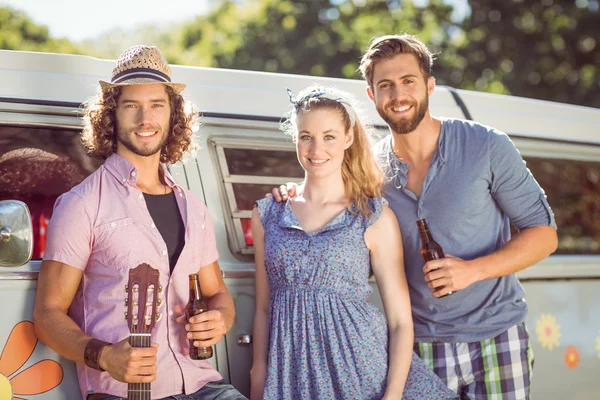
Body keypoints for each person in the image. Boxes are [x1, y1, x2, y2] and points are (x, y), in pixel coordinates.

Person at [272, 35, 558, 400]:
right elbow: (322, 193)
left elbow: (544, 233)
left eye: (408, 81)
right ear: (372, 95)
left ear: (430, 85)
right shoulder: (367, 171)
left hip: (497, 336)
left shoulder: (486, 145)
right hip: (420, 347)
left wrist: (473, 270)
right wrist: (289, 192)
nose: (398, 95)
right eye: (385, 85)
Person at [33, 45, 246, 400]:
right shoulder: (82, 204)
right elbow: (47, 315)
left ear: (172, 115)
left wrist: (220, 318)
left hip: (202, 385)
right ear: (111, 115)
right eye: (132, 105)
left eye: (156, 105)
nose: (145, 119)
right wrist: (103, 356)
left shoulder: (193, 207)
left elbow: (217, 293)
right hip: (124, 392)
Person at [252, 86, 456, 400]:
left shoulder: (372, 216)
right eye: (306, 136)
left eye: (329, 136)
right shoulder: (268, 213)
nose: (316, 148)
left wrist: (392, 396)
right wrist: (258, 378)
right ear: (295, 138)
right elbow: (264, 309)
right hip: (290, 378)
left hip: (362, 374)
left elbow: (401, 322)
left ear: (348, 138)